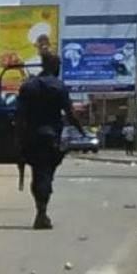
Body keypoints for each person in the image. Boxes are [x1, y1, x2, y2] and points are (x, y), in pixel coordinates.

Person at [16, 51, 85, 230]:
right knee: (45, 175)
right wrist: (81, 131)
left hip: (30, 138)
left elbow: (19, 117)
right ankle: (42, 213)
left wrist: (18, 140)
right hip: (50, 138)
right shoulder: (58, 86)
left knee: (37, 174)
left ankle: (41, 210)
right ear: (54, 66)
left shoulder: (28, 86)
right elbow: (70, 114)